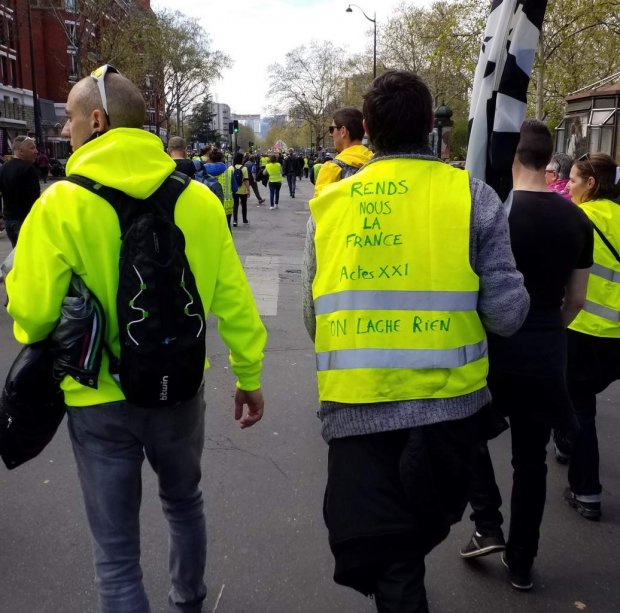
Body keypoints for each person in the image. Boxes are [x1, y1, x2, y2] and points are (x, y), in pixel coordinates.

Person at [6, 65, 267, 613]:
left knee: (116, 554)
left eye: (72, 119)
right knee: (184, 502)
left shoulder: (59, 205)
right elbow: (234, 300)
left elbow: (31, 318)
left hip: (97, 399)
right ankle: (189, 601)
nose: (66, 131)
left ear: (97, 120)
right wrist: (249, 376)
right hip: (179, 387)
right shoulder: (197, 199)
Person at [302, 70, 529, 613]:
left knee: (393, 555)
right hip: (449, 414)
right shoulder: (472, 196)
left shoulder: (329, 206)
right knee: (413, 542)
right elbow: (506, 316)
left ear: (368, 133)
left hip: (358, 412)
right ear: (430, 125)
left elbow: (314, 319)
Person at [461, 120, 592, 591]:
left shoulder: (495, 215)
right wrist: (549, 328)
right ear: (549, 157)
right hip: (545, 349)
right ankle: (521, 561)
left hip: (494, 346)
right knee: (531, 459)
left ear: (511, 158)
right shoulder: (577, 218)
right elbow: (575, 299)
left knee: (472, 433)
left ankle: (487, 521)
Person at [559, 152, 620, 520]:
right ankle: (566, 444)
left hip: (585, 329)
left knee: (581, 408)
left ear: (591, 184)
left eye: (574, 180)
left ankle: (587, 492)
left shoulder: (578, 218)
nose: (568, 185)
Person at [314, 106, 373, 196]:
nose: (331, 134)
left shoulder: (332, 169)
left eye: (331, 129)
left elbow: (319, 207)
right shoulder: (376, 162)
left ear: (343, 131)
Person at [0, 135, 40, 247]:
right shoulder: (28, 169)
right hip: (25, 220)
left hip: (9, 221)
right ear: (21, 151)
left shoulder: (4, 167)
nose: (36, 151)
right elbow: (35, 198)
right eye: (32, 148)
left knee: (16, 253)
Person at [205, 147, 234, 230]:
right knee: (227, 228)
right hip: (226, 204)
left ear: (209, 158)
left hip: (208, 205)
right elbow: (235, 189)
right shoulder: (229, 172)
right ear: (222, 159)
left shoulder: (202, 172)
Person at [232, 151, 250, 226]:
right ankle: (244, 219)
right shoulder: (244, 168)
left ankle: (235, 220)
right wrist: (248, 190)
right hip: (243, 190)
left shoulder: (231, 168)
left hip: (234, 190)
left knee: (235, 205)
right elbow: (246, 181)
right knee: (244, 205)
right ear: (241, 159)